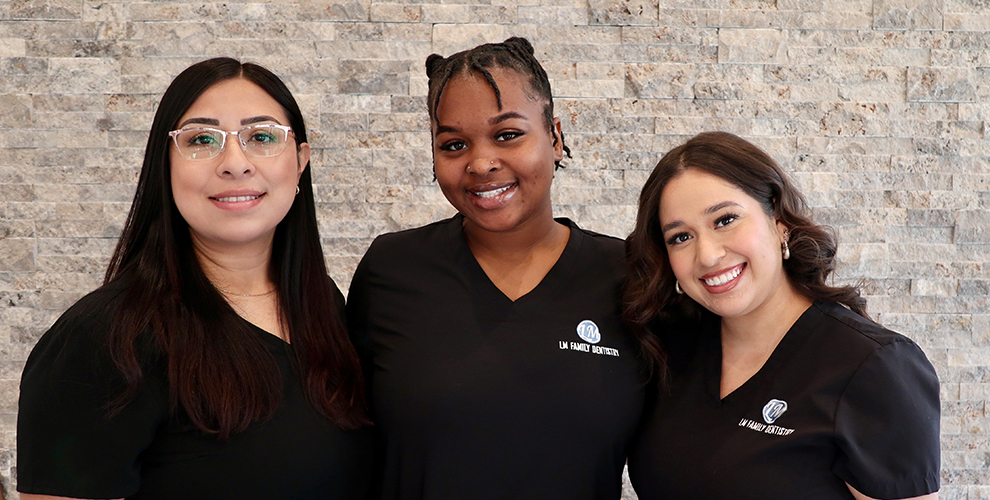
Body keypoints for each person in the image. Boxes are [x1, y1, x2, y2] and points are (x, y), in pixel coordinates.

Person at [17, 57, 374, 500]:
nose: (235, 163)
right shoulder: (104, 339)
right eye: (202, 139)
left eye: (261, 136)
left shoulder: (323, 307)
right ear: (164, 166)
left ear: (300, 162)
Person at [346, 37, 646, 500]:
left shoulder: (630, 277)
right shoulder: (391, 270)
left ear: (556, 137)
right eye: (453, 144)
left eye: (507, 135)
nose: (481, 163)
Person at [623, 131, 940, 500]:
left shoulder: (873, 367)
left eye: (725, 220)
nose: (707, 255)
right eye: (680, 237)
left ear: (779, 221)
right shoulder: (671, 347)